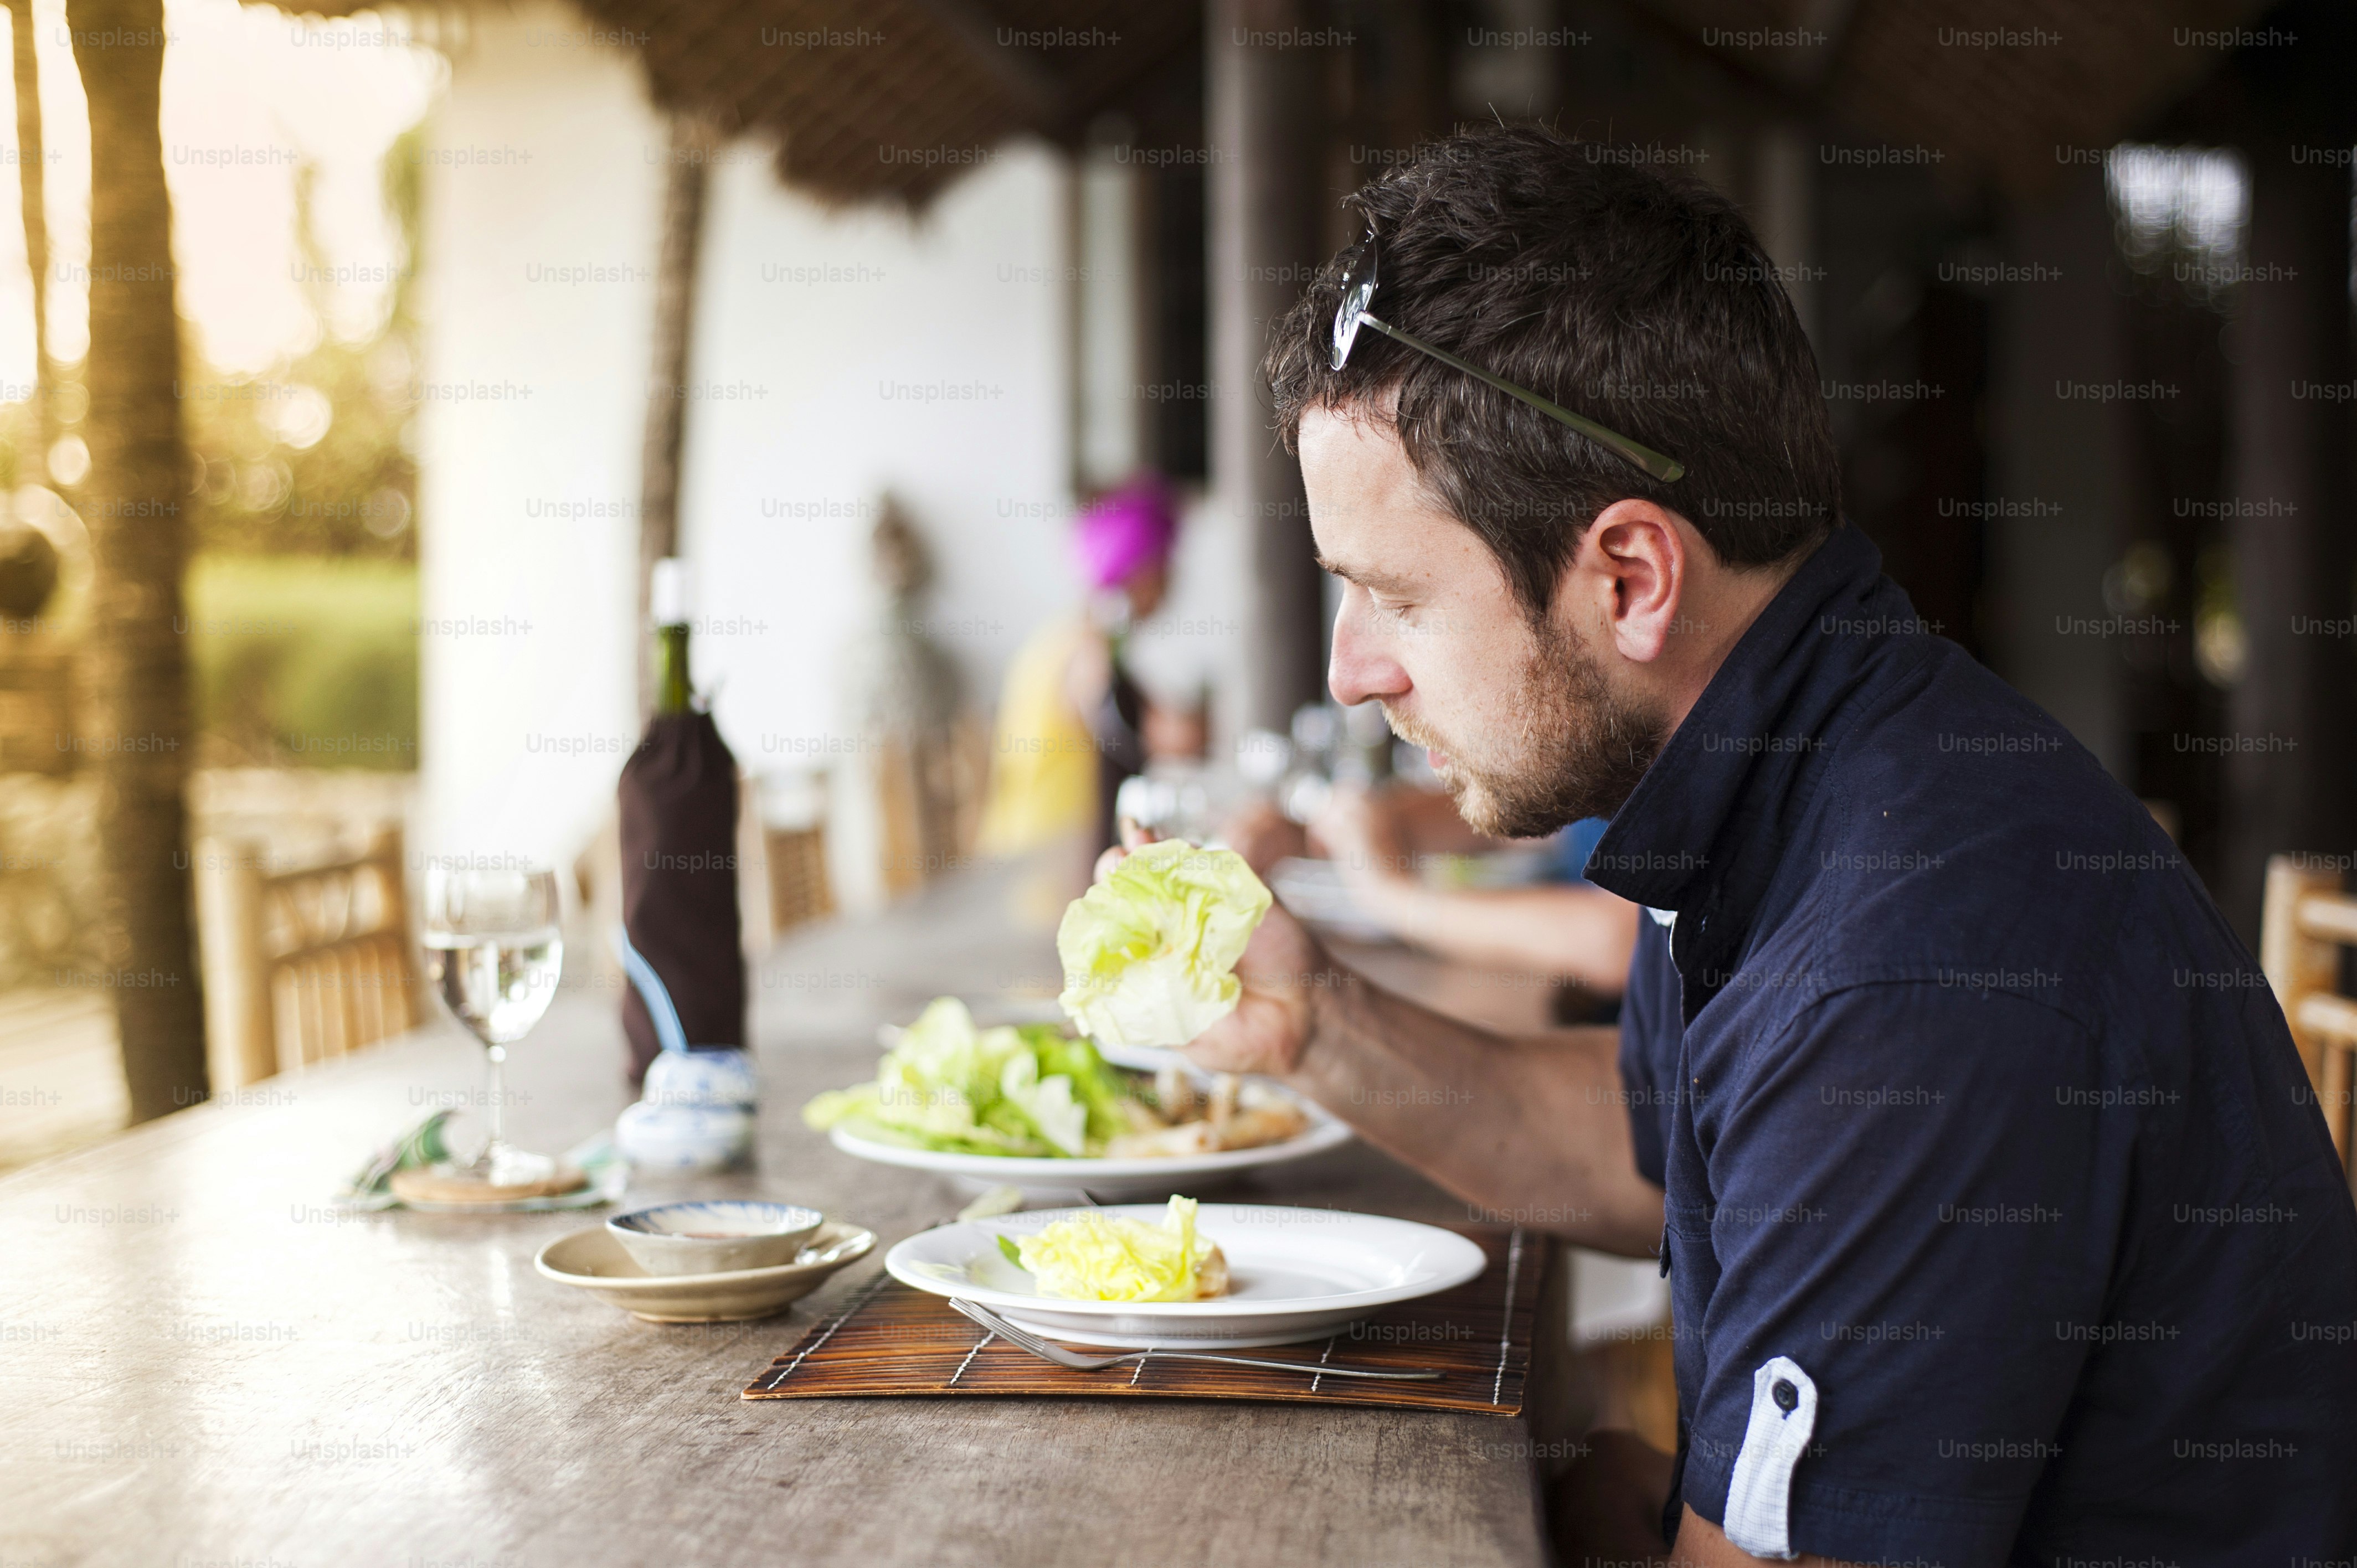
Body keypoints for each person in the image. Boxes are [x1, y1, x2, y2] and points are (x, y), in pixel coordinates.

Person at [1139, 125, 2357, 1564]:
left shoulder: (1912, 976)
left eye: (1393, 597)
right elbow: (1672, 1153)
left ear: (1633, 576)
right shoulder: (1796, 758)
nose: (1354, 673)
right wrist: (1312, 1021)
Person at [977, 474, 1202, 860]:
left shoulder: (1061, 639)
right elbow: (1172, 739)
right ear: (1142, 570)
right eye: (1166, 561)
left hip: (1026, 846)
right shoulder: (1092, 653)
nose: (1174, 576)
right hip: (1048, 860)